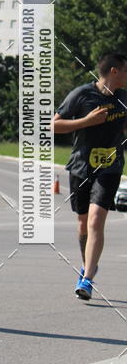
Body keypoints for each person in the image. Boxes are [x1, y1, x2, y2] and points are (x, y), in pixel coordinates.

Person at [53, 51, 127, 300]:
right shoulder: (82, 94)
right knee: (83, 223)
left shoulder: (125, 98)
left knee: (96, 220)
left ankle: (87, 279)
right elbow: (53, 125)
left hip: (111, 167)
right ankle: (87, 265)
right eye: (126, 70)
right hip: (81, 166)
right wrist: (85, 121)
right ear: (114, 71)